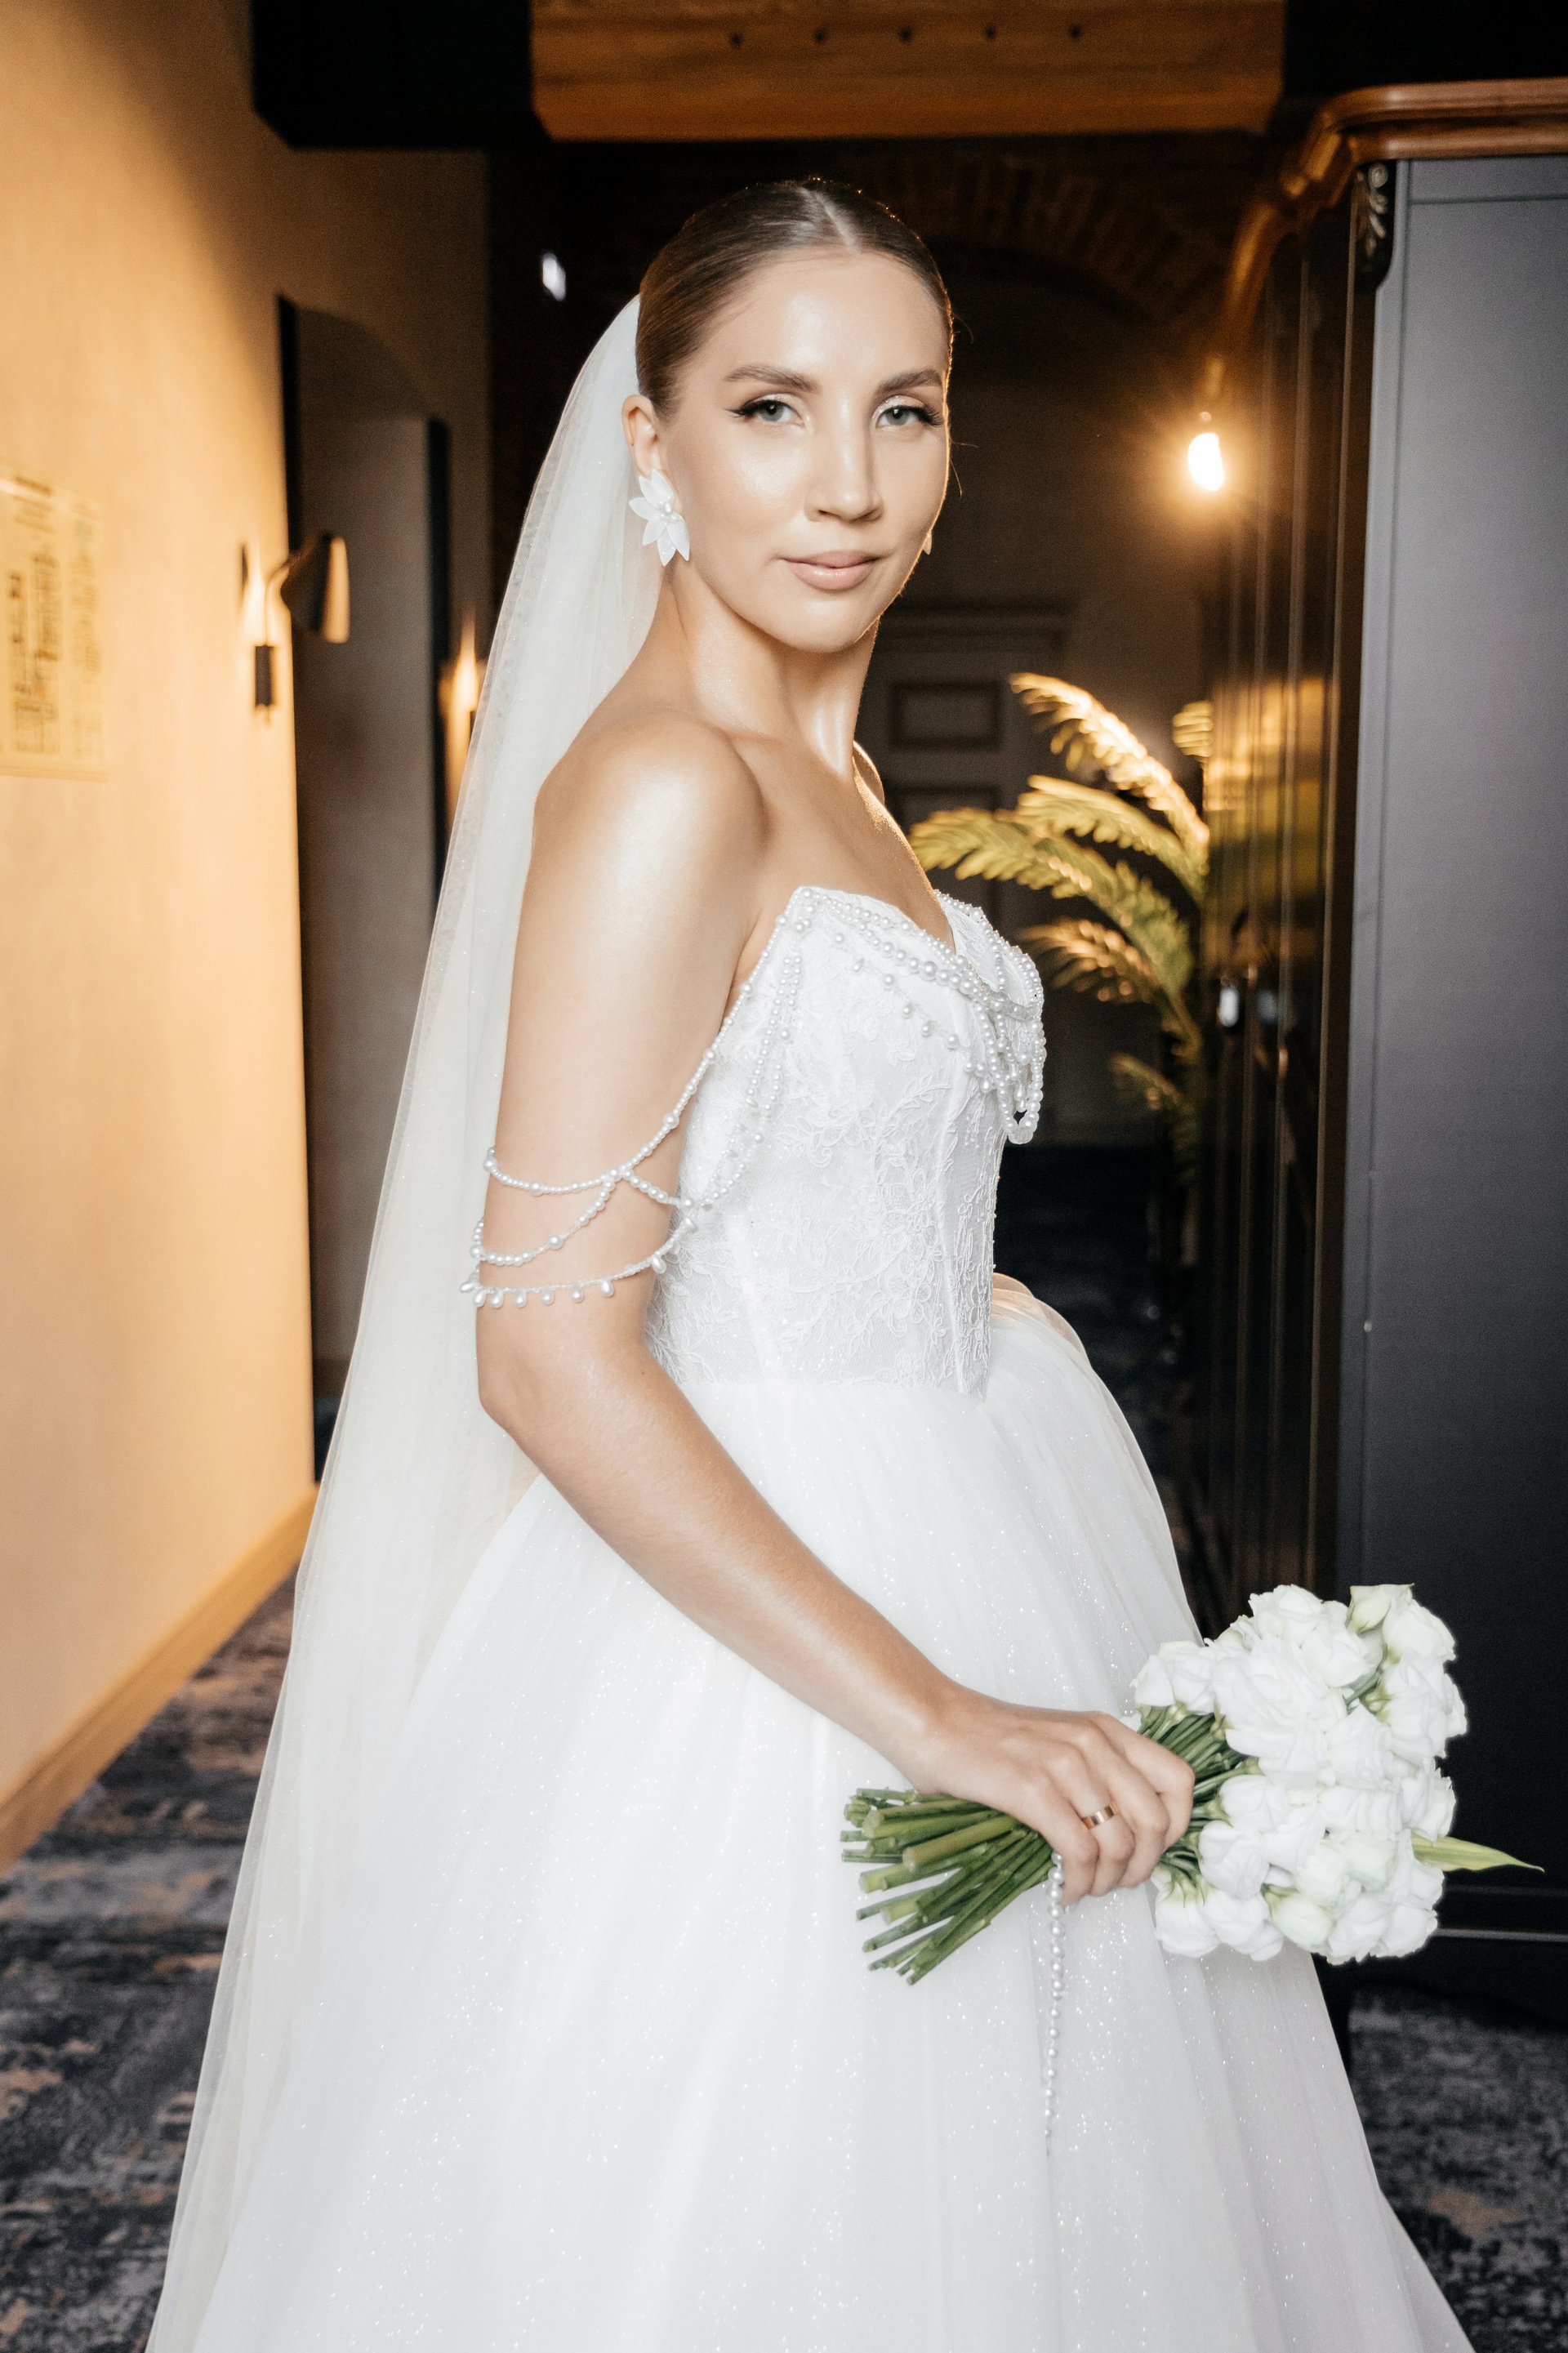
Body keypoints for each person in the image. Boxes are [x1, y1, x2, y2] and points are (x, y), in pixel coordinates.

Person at [150, 180, 1469, 2352]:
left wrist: (956, 1289)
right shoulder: (666, 783)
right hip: (759, 1619)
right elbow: (546, 1356)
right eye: (772, 408)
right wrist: (942, 1712)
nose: (849, 482)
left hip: (966, 1487)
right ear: (653, 445)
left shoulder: (831, 768)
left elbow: (780, 1144)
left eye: (903, 409)